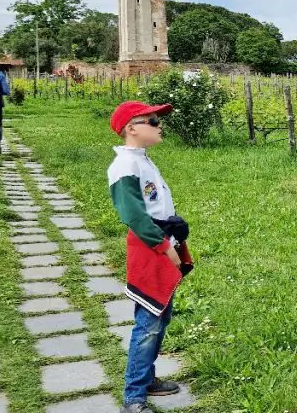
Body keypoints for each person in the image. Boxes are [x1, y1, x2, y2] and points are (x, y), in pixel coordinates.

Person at [107, 100, 194, 413]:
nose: (160, 126)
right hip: (149, 249)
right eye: (153, 121)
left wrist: (174, 224)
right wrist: (163, 246)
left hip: (161, 242)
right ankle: (134, 396)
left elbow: (154, 204)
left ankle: (146, 379)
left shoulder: (142, 161)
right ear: (132, 128)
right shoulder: (124, 166)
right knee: (149, 322)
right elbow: (133, 214)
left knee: (160, 315)